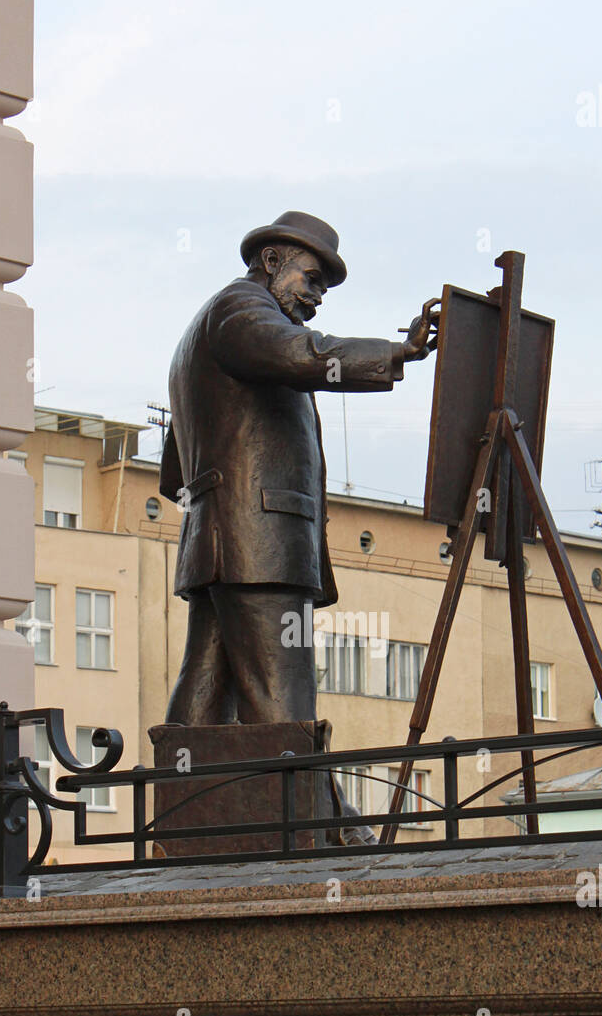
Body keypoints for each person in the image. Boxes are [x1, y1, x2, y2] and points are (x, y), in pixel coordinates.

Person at [159, 210, 439, 728]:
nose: (316, 296)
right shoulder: (240, 310)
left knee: (206, 687)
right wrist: (399, 352)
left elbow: (175, 470)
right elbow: (300, 353)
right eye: (310, 279)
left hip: (221, 539)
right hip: (259, 540)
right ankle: (299, 802)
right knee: (281, 692)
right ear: (270, 261)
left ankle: (183, 799)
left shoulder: (200, 334)